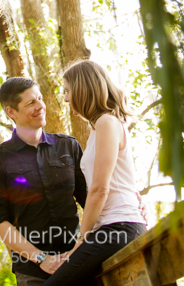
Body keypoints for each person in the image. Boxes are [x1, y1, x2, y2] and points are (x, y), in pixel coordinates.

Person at [41, 59, 147, 286]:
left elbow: (100, 189)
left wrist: (81, 240)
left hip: (119, 227)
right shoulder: (99, 128)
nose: (66, 98)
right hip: (111, 228)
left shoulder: (107, 122)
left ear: (83, 88)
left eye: (68, 91)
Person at [0, 77, 87, 286]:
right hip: (33, 273)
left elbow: (92, 196)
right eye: (31, 103)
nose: (41, 106)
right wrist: (42, 258)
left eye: (39, 99)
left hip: (79, 262)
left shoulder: (69, 147)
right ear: (11, 112)